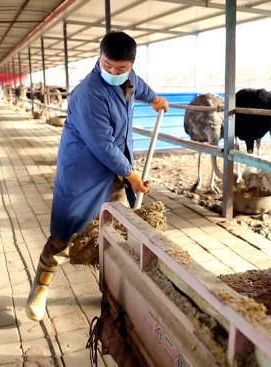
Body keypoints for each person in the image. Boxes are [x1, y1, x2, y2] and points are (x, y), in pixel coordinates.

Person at [26, 31, 169, 321]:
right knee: (68, 232)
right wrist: (132, 176)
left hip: (115, 166)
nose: (114, 73)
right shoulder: (88, 94)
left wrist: (155, 99)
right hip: (85, 169)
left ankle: (114, 290)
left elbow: (137, 86)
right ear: (99, 58)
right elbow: (101, 145)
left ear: (130, 65)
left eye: (121, 68)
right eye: (107, 66)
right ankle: (40, 288)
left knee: (118, 229)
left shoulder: (127, 79)